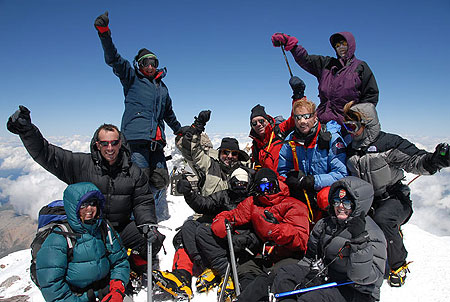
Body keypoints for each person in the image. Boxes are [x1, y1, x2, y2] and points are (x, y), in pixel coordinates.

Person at [7, 106, 164, 274]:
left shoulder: (134, 172)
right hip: (91, 230)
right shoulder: (81, 165)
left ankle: (131, 262)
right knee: (89, 261)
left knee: (153, 240)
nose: (109, 148)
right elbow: (48, 154)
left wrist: (148, 224)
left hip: (120, 228)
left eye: (114, 142)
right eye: (104, 143)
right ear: (97, 144)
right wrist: (27, 131)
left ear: (121, 143)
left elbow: (143, 201)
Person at [342, 101, 450, 287]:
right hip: (367, 200)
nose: (350, 131)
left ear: (366, 124)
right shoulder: (351, 148)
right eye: (347, 126)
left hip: (394, 198)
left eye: (353, 126)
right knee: (348, 220)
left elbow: (415, 160)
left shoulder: (389, 143)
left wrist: (435, 161)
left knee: (384, 220)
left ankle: (398, 265)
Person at [94, 11, 181, 222]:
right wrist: (105, 34)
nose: (150, 66)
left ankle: (151, 211)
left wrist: (179, 130)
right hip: (136, 141)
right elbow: (113, 59)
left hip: (156, 143)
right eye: (145, 63)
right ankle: (135, 220)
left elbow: (168, 113)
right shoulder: (131, 78)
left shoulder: (163, 88)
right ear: (139, 65)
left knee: (160, 179)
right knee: (139, 180)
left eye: (153, 62)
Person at [270, 176, 387, 302]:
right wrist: (308, 274)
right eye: (337, 201)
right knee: (286, 275)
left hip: (357, 290)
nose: (340, 207)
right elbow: (309, 258)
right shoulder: (326, 224)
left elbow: (363, 278)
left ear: (358, 205)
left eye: (347, 203)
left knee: (310, 299)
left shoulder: (372, 234)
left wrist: (359, 242)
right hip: (328, 277)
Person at [205, 168, 310, 300]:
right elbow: (235, 214)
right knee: (244, 269)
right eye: (262, 187)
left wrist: (276, 229)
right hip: (265, 256)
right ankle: (254, 296)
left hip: (289, 256)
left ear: (276, 185)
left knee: (269, 278)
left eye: (270, 186)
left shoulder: (293, 205)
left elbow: (301, 240)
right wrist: (221, 221)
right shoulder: (254, 203)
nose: (266, 191)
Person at [152, 167, 257, 300]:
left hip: (239, 241)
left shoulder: (252, 201)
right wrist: (189, 193)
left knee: (203, 232)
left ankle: (225, 273)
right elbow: (205, 204)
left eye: (243, 185)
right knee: (188, 227)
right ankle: (186, 275)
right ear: (231, 183)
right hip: (222, 234)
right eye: (236, 184)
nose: (239, 188)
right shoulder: (225, 196)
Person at [35, 182, 130, 302]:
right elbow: (52, 285)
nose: (89, 209)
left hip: (106, 292)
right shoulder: (59, 237)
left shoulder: (104, 228)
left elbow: (120, 261)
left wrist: (117, 289)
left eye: (93, 203)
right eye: (83, 205)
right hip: (76, 297)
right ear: (73, 207)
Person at [271, 31, 379, 125]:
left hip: (347, 126)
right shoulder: (327, 64)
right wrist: (292, 45)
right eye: (337, 45)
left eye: (343, 44)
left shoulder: (360, 67)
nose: (340, 47)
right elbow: (306, 60)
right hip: (323, 122)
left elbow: (371, 96)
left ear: (350, 45)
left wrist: (358, 118)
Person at [277, 98, 347, 223]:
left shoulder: (331, 137)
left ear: (315, 117)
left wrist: (313, 181)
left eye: (306, 116)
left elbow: (341, 174)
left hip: (324, 190)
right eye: (298, 117)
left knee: (324, 197)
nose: (302, 121)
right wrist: (290, 179)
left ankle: (332, 226)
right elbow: (282, 170)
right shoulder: (291, 140)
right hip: (301, 190)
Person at [176, 110, 250, 196]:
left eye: (234, 154)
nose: (229, 156)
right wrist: (197, 127)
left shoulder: (244, 171)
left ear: (238, 156)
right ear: (219, 153)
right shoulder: (209, 166)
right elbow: (192, 151)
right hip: (210, 208)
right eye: (226, 152)